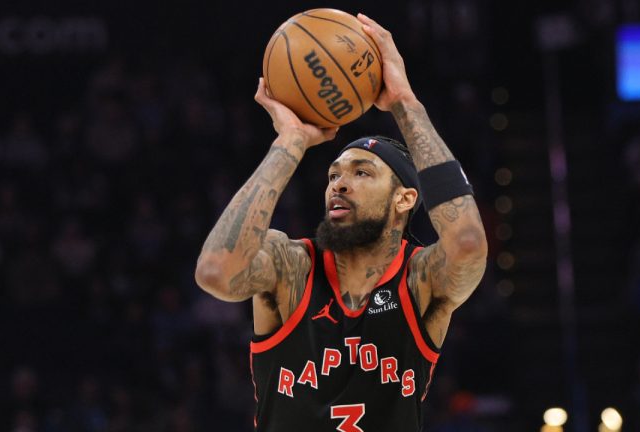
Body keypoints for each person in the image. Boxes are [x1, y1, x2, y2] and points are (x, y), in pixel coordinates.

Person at [195, 13, 487, 432]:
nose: (339, 185)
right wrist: (290, 142)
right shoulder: (290, 265)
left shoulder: (420, 280)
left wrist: (405, 104)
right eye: (333, 175)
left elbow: (468, 244)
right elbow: (215, 272)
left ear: (405, 199)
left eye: (362, 173)